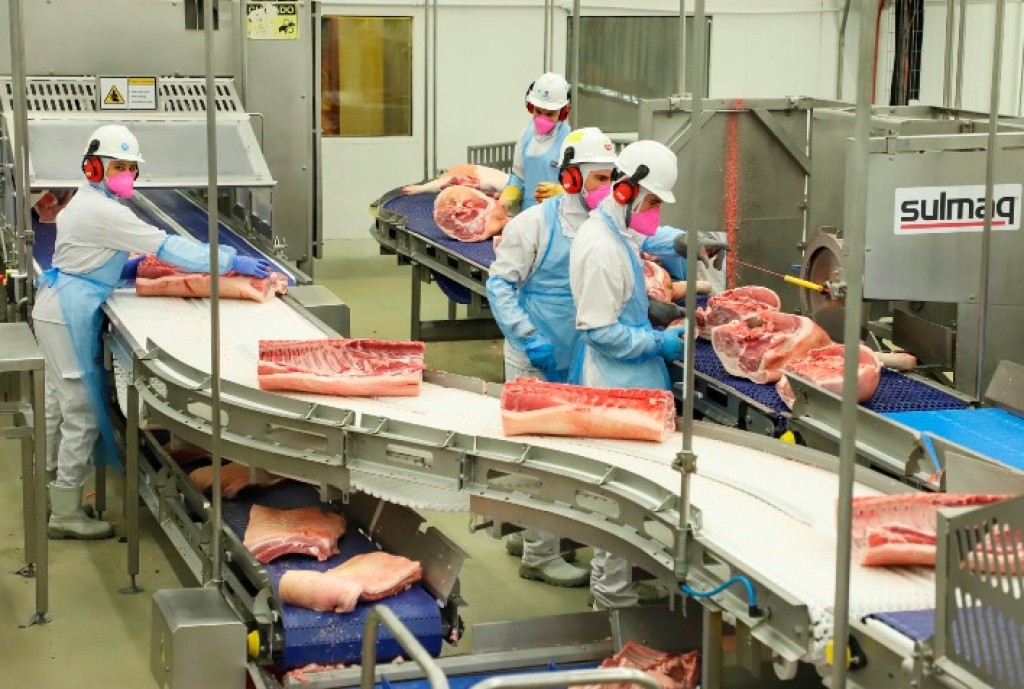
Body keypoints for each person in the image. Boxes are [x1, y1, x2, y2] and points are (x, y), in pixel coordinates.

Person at [33, 124, 273, 540]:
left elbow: (84, 254)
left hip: (62, 302)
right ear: (94, 168)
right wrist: (230, 260)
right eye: (118, 166)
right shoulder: (106, 211)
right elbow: (168, 247)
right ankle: (65, 513)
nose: (126, 174)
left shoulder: (85, 200)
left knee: (58, 402)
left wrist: (116, 267)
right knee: (81, 411)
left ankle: (56, 490)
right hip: (66, 311)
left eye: (131, 167)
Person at [486, 127, 617, 587]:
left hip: (578, 350)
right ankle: (539, 555)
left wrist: (685, 241)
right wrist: (528, 337)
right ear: (572, 178)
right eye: (599, 179)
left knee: (562, 451)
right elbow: (499, 286)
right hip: (536, 350)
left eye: (611, 179)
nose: (607, 189)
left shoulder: (604, 221)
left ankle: (532, 534)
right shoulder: (533, 224)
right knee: (540, 456)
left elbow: (647, 237)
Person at [568, 139, 684, 609]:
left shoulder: (616, 229)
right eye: (652, 202)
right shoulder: (599, 246)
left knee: (630, 495)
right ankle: (612, 597)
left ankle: (619, 583)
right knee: (617, 498)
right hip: (615, 384)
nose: (654, 212)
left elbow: (639, 243)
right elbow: (599, 330)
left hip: (631, 379)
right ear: (627, 191)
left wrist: (649, 308)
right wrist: (660, 341)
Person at [498, 73, 572, 215]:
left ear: (563, 112)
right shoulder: (526, 135)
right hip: (528, 215)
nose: (542, 118)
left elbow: (579, 190)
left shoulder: (569, 140)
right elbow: (518, 179)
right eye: (538, 111)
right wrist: (506, 200)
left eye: (550, 114)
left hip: (557, 216)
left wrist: (562, 192)